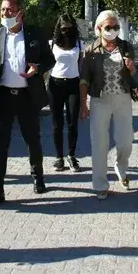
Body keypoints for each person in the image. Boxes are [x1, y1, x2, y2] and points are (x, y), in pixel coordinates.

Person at [0, 0, 54, 207]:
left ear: (20, 13)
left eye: (10, 11)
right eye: (3, 10)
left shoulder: (35, 34)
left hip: (27, 96)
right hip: (3, 96)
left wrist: (37, 69)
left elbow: (49, 59)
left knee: (32, 140)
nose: (5, 14)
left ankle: (37, 177)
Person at [79, 10, 137, 200]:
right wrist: (83, 104)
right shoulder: (90, 51)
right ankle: (100, 185)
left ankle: (121, 168)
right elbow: (84, 80)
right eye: (108, 27)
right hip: (100, 100)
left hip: (122, 98)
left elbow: (134, 71)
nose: (112, 31)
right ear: (98, 29)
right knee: (99, 144)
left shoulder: (126, 47)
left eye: (116, 27)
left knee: (126, 141)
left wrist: (131, 67)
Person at [48, 14, 85, 172]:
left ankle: (71, 155)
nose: (66, 31)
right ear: (59, 28)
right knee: (57, 124)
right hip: (55, 84)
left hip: (73, 84)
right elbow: (47, 64)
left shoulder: (79, 44)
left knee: (72, 123)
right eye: (63, 28)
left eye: (69, 28)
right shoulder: (51, 44)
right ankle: (59, 158)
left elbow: (81, 65)